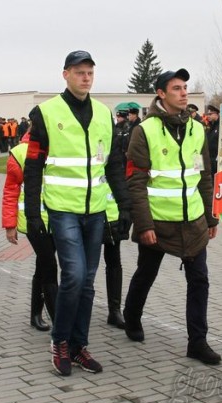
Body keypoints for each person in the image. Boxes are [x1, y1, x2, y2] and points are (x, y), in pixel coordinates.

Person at [24, 50, 131, 376]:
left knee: (86, 282)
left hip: (95, 210)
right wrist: (32, 213)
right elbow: (33, 166)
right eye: (79, 72)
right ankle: (60, 342)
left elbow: (112, 164)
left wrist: (124, 205)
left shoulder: (103, 113)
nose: (86, 77)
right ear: (66, 74)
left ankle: (79, 345)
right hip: (62, 209)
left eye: (90, 73)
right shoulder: (45, 112)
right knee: (72, 275)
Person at [123, 69, 221, 366]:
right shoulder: (145, 130)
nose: (183, 93)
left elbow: (204, 177)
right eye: (176, 88)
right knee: (146, 273)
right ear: (161, 94)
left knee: (200, 280)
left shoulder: (197, 129)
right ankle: (132, 316)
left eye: (185, 88)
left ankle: (197, 341)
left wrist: (210, 217)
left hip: (193, 222)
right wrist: (144, 225)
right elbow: (136, 182)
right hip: (158, 222)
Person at [2, 134, 57, 332]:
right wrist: (9, 224)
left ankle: (36, 313)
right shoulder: (19, 152)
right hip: (34, 220)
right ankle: (58, 318)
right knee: (49, 265)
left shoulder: (62, 146)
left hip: (60, 219)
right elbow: (11, 189)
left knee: (43, 266)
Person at [102, 109, 133, 329]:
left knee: (114, 261)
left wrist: (126, 208)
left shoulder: (116, 146)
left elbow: (120, 178)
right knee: (84, 266)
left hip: (112, 212)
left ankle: (115, 310)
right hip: (89, 213)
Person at [205, 104, 220, 179]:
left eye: (210, 114)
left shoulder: (220, 126)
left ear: (216, 114)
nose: (208, 116)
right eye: (208, 114)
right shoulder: (209, 126)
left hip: (217, 160)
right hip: (209, 159)